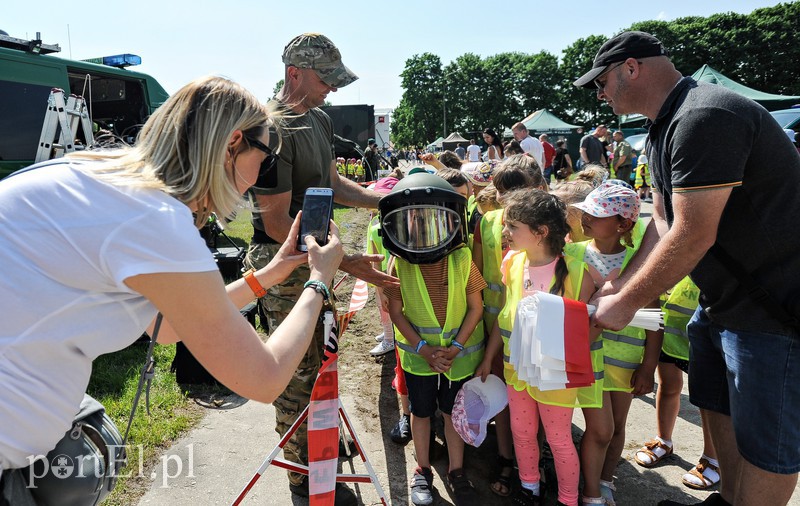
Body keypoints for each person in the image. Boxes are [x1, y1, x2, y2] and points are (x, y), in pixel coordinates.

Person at [0, 76, 345, 500]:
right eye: (267, 158)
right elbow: (266, 377)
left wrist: (268, 274)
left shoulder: (102, 177)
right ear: (233, 144)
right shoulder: (155, 218)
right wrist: (318, 280)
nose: (261, 177)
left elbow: (165, 328)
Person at [575, 30, 800, 506]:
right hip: (723, 305)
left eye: (602, 82)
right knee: (719, 410)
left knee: (768, 446)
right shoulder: (663, 127)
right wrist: (617, 286)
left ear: (631, 69)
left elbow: (695, 232)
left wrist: (625, 304)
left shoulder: (705, 116)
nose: (599, 94)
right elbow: (661, 222)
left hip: (774, 310)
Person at [245, 33, 396, 505]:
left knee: (322, 360)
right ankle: (301, 472)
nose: (333, 87)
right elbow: (274, 220)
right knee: (294, 372)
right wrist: (343, 261)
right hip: (285, 265)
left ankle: (321, 437)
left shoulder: (319, 118)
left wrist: (382, 201)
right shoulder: (269, 127)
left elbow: (330, 180)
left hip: (318, 262)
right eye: (325, 77)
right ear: (294, 73)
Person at [475, 188, 601, 506]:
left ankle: (567, 500)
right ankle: (529, 488)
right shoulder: (513, 262)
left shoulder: (577, 270)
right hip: (517, 367)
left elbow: (595, 317)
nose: (505, 232)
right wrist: (490, 357)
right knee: (522, 431)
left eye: (513, 226)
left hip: (555, 373)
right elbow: (505, 317)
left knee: (558, 440)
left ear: (541, 232)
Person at [380, 172, 486, 506]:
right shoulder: (399, 264)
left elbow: (476, 308)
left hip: (457, 358)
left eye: (434, 221)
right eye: (415, 222)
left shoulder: (463, 259)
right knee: (421, 413)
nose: (425, 231)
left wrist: (455, 347)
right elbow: (396, 312)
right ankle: (422, 470)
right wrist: (424, 350)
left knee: (452, 414)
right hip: (419, 359)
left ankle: (457, 471)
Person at [566, 182, 661, 505]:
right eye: (586, 210)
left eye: (597, 213)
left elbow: (654, 315)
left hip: (626, 359)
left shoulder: (641, 262)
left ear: (623, 224)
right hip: (586, 359)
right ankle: (590, 490)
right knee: (600, 429)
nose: (586, 217)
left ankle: (606, 481)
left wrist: (649, 366)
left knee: (617, 427)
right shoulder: (572, 254)